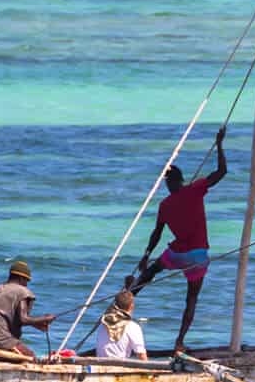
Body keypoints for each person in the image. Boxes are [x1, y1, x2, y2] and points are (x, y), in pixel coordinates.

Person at [128, 127, 227, 353]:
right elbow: (222, 172)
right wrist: (219, 144)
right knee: (191, 299)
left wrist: (145, 256)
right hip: (197, 256)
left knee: (151, 271)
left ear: (167, 184)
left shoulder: (165, 204)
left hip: (177, 254)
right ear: (181, 179)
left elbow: (157, 234)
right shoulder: (195, 189)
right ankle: (179, 342)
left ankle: (127, 299)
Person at [0, 258, 55, 359]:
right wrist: (46, 318)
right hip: (3, 343)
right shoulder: (22, 291)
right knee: (31, 358)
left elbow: (7, 317)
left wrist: (36, 324)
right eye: (26, 281)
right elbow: (23, 319)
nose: (26, 284)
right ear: (22, 278)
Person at [89, 288, 147, 360]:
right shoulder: (132, 327)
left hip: (100, 365)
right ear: (132, 306)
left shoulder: (104, 323)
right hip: (120, 367)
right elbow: (141, 354)